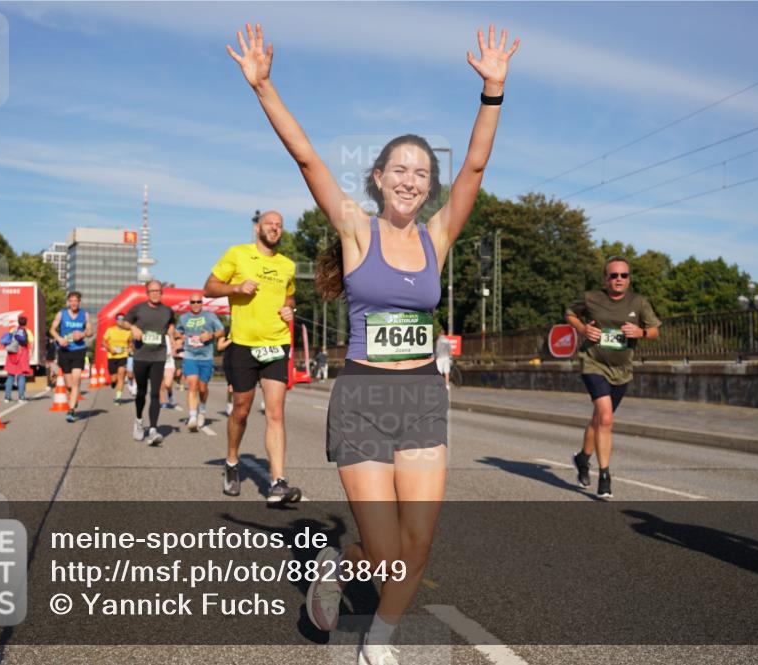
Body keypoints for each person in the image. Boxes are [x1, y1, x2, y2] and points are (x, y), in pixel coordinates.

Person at [227, 21, 518, 661]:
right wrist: (264, 86)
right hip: (362, 398)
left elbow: (475, 163)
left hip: (421, 399)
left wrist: (492, 91)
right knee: (385, 552)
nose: (412, 179)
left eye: (421, 172)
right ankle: (340, 563)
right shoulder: (357, 233)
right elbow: (306, 157)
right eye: (400, 169)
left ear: (428, 186)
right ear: (380, 179)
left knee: (416, 546)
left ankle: (377, 641)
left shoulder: (438, 237)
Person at [204, 210, 302, 504]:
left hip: (276, 344)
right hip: (244, 344)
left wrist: (290, 310)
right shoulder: (238, 254)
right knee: (241, 411)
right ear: (258, 228)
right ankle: (232, 461)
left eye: (279, 225)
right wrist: (235, 287)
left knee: (275, 413)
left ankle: (278, 482)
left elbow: (290, 298)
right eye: (270, 224)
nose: (275, 228)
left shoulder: (287, 265)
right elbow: (208, 287)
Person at [565, 256, 661, 499]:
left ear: (629, 279)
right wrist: (583, 329)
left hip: (622, 370)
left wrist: (640, 331)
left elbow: (654, 331)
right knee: (606, 418)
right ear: (605, 278)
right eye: (613, 275)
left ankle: (582, 458)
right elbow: (569, 313)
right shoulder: (591, 298)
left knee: (599, 418)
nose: (618, 279)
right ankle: (605, 475)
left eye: (623, 275)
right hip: (594, 363)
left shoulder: (638, 302)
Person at [120, 280, 176, 445]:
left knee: (155, 393)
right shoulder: (138, 308)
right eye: (152, 291)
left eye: (158, 291)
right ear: (147, 293)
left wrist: (171, 336)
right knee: (142, 392)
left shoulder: (167, 310)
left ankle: (153, 429)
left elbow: (171, 324)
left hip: (159, 356)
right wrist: (133, 328)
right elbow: (123, 322)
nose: (155, 293)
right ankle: (138, 421)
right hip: (141, 356)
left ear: (162, 292)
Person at [176, 294, 226, 432]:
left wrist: (211, 335)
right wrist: (180, 337)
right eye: (193, 302)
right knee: (192, 385)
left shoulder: (210, 316)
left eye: (199, 301)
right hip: (190, 355)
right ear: (190, 303)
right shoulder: (184, 318)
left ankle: (202, 410)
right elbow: (177, 332)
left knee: (202, 388)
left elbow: (221, 331)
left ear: (202, 303)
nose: (196, 304)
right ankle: (192, 416)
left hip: (206, 356)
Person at [49, 291, 92, 423]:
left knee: (76, 379)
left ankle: (71, 410)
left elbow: (90, 331)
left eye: (76, 301)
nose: (73, 303)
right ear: (68, 302)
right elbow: (52, 329)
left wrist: (83, 334)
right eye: (71, 300)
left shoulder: (84, 315)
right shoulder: (61, 313)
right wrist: (59, 338)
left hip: (79, 350)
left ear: (79, 302)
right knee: (68, 384)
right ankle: (73, 397)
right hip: (64, 350)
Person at [102, 313, 133, 404]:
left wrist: (130, 347)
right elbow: (103, 342)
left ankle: (118, 397)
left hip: (123, 356)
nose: (121, 320)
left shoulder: (128, 332)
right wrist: (110, 349)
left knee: (121, 375)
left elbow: (130, 343)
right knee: (114, 379)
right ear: (116, 321)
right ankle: (113, 383)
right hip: (112, 356)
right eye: (119, 319)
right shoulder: (110, 330)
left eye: (123, 319)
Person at [3, 315, 33, 402]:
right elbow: (31, 343)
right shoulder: (27, 331)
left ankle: (7, 397)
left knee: (10, 375)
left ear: (18, 322)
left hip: (12, 354)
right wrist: (31, 353)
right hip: (22, 353)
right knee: (21, 375)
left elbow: (8, 341)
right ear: (26, 322)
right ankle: (21, 397)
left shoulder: (13, 330)